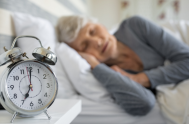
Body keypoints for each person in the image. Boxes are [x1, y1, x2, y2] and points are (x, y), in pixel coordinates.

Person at [56, 15, 189, 116]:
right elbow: (144, 103)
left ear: (101, 25)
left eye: (92, 31)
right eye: (85, 46)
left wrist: (139, 79)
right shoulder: (106, 74)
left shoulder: (134, 26)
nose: (97, 42)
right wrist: (96, 65)